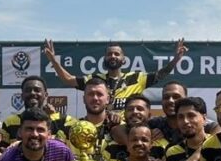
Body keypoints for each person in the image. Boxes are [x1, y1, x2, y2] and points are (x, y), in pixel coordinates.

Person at [44, 39, 188, 114]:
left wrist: (176, 59)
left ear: (123, 59)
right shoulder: (95, 80)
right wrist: (53, 60)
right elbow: (68, 80)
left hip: (128, 130)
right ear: (105, 58)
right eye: (109, 54)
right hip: (101, 128)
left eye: (116, 54)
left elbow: (161, 74)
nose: (113, 56)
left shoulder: (137, 78)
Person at [1, 76, 70, 143]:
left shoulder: (63, 121)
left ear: (45, 95)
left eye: (37, 90)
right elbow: (1, 151)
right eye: (28, 90)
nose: (32, 93)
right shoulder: (9, 123)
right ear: (22, 96)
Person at [103, 95, 168, 161]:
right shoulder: (110, 145)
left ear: (149, 115)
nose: (135, 112)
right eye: (130, 109)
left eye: (140, 109)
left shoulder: (163, 146)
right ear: (124, 115)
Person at [164, 97, 211, 161]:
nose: (185, 121)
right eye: (181, 117)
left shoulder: (217, 145)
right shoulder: (172, 152)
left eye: (191, 115)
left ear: (204, 118)